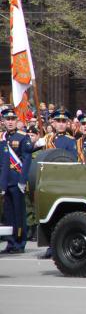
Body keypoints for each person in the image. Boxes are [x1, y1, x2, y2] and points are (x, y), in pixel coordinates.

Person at [0, 108, 32, 254]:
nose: (10, 122)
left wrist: (22, 180)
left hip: (17, 179)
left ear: (17, 121)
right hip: (6, 181)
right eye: (8, 120)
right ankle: (11, 242)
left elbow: (26, 161)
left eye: (13, 119)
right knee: (8, 214)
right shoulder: (3, 137)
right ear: (3, 122)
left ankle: (19, 242)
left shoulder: (23, 137)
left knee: (19, 214)